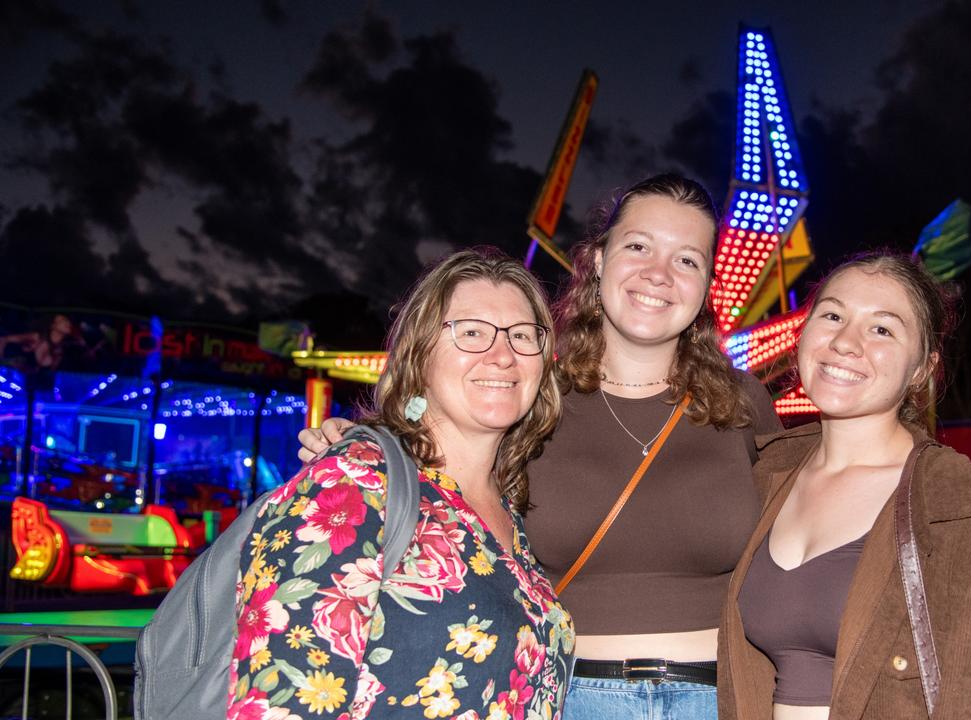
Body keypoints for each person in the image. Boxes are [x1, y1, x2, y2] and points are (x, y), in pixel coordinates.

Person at [300, 174, 783, 719]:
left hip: (723, 698)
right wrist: (372, 441)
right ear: (598, 260)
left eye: (687, 259)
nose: (659, 274)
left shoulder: (745, 404)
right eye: (638, 246)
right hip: (569, 699)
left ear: (706, 284)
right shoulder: (530, 396)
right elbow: (440, 450)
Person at [229, 249, 574, 720]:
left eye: (521, 335)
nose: (502, 355)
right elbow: (277, 702)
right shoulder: (354, 484)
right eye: (471, 332)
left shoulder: (509, 505)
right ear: (420, 354)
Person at [718, 250, 971, 720]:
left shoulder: (959, 505)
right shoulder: (762, 476)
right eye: (832, 315)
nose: (845, 342)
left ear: (921, 369)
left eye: (882, 329)